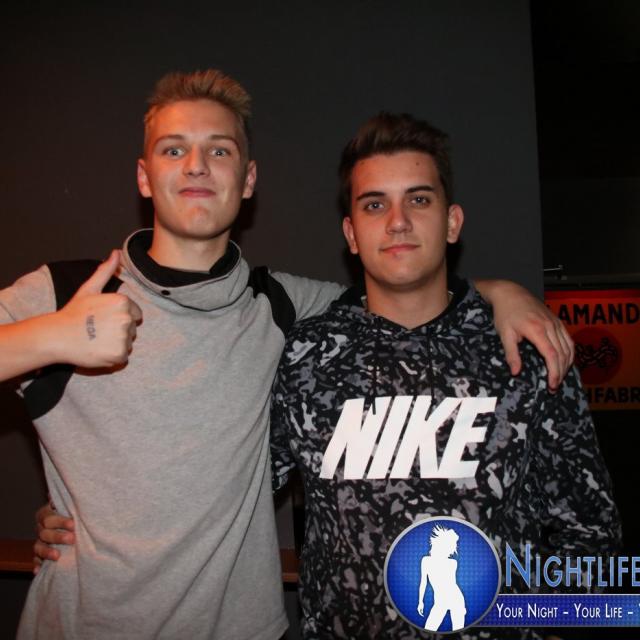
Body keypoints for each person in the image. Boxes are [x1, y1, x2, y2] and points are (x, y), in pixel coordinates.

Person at [11, 72, 572, 639]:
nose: (197, 166)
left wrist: (499, 293)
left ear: (249, 179)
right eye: (174, 149)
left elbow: (403, 284)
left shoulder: (283, 308)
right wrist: (51, 337)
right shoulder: (65, 293)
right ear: (143, 175)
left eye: (219, 150)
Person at [265, 113, 621, 638]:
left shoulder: (527, 351)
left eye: (419, 199)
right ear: (351, 234)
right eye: (374, 204)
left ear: (452, 223)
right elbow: (233, 501)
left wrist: (528, 625)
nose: (398, 221)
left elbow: (592, 540)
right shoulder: (305, 358)